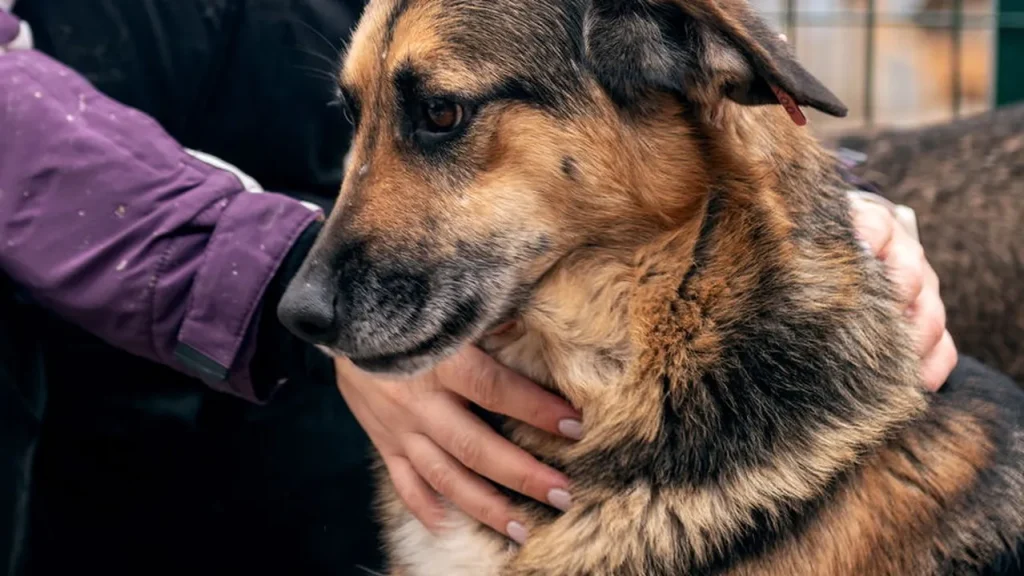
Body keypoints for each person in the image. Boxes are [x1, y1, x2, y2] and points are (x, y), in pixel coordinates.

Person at [0, 2, 958, 574]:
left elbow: (658, 102)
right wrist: (266, 274)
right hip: (84, 393)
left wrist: (827, 208)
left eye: (443, 114)